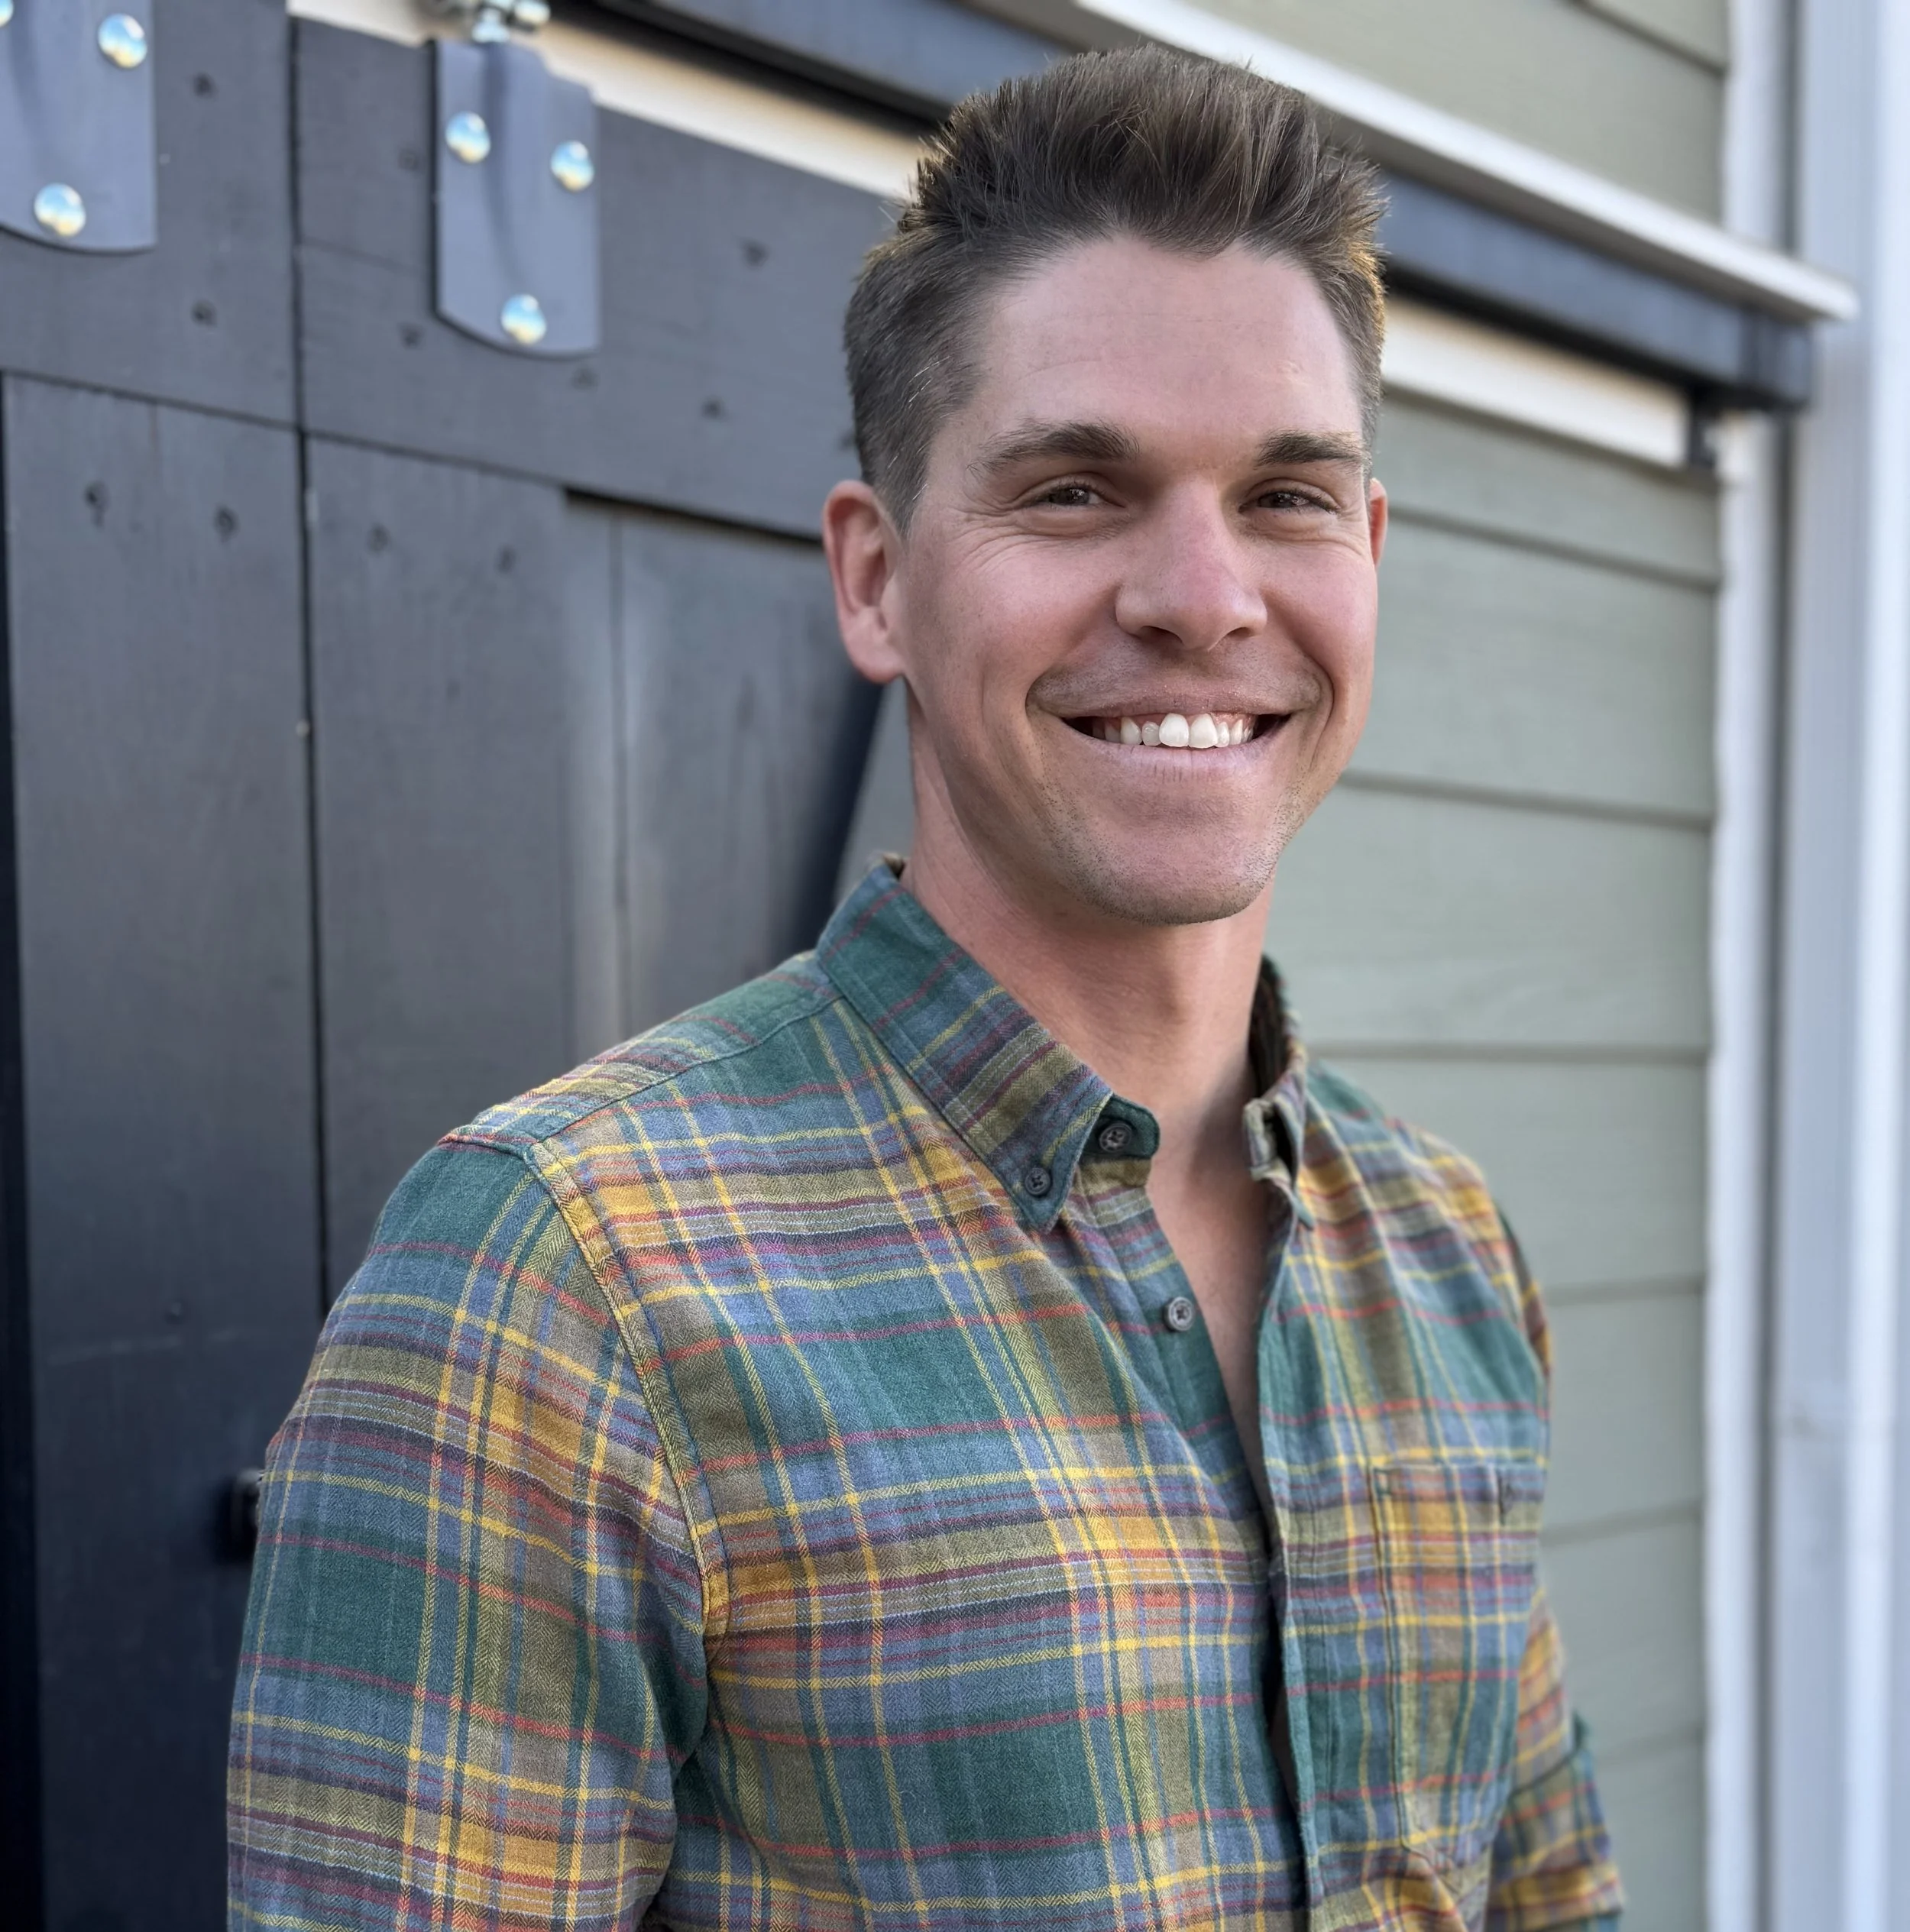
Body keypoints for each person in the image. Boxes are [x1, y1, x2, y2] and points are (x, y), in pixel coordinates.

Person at [228, 46, 1622, 1932]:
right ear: (876, 580)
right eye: (1073, 490)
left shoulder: (1443, 1253)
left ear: (1364, 558)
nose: (1202, 595)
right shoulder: (571, 1277)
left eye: (1286, 494)